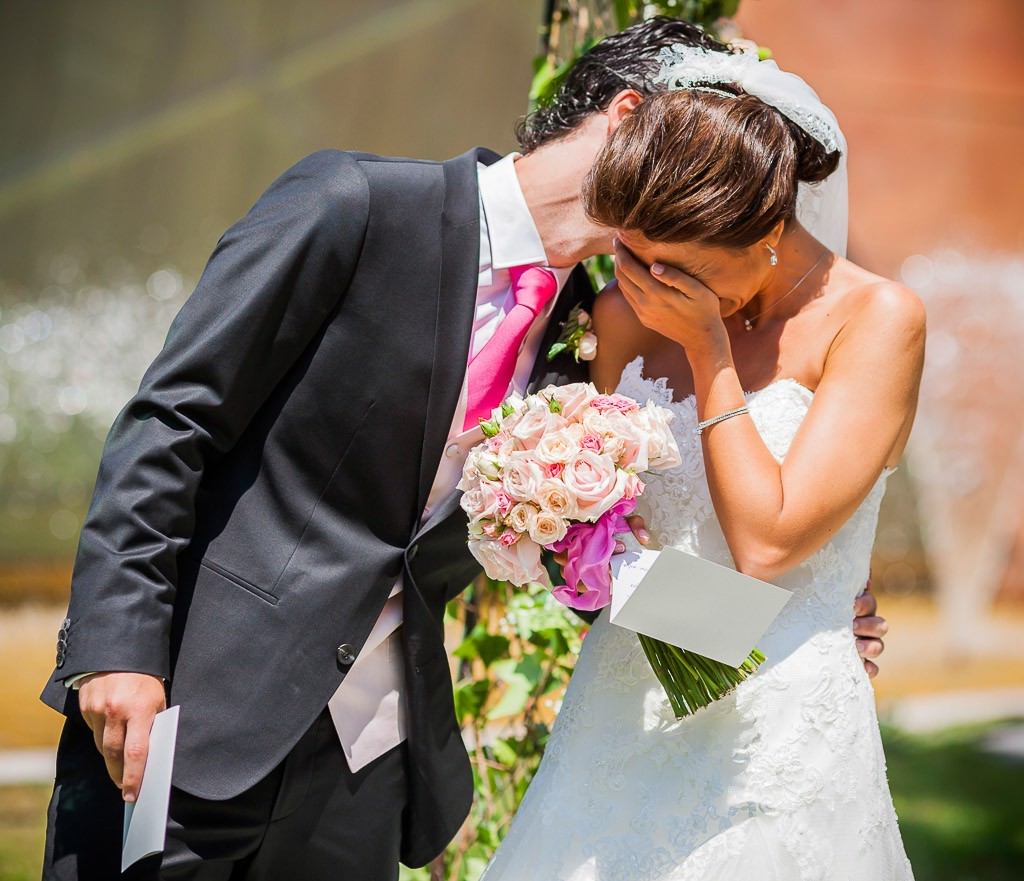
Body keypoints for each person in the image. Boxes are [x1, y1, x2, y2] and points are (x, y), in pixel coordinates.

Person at [39, 18, 888, 881]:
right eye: (696, 153)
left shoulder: (592, 336)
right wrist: (120, 649)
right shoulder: (355, 204)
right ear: (628, 117)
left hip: (368, 768)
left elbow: (589, 558)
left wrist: (787, 633)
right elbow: (172, 420)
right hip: (188, 716)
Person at [479, 42, 920, 881]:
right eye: (629, 253)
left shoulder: (876, 319)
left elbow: (767, 546)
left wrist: (709, 350)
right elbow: (616, 535)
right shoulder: (624, 311)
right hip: (621, 708)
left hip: (782, 736)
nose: (640, 278)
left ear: (762, 236)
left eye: (668, 263)